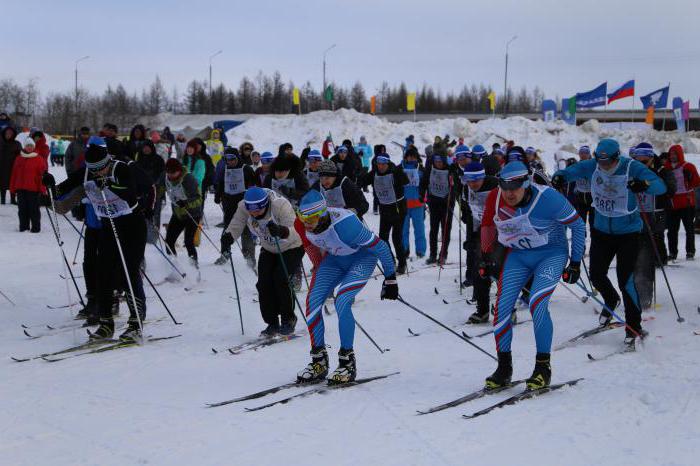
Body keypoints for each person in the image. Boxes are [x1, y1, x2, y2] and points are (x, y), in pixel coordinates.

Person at [480, 161, 586, 390]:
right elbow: (488, 225)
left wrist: (575, 263)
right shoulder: (496, 197)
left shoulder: (548, 198)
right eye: (504, 187)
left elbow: (577, 226)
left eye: (514, 187)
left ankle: (542, 369)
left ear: (526, 183)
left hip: (550, 255)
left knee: (537, 302)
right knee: (501, 307)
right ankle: (504, 368)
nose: (508, 193)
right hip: (519, 256)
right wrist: (486, 256)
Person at [552, 138, 666, 349]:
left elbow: (660, 186)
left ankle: (634, 326)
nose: (603, 167)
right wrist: (560, 177)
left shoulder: (631, 166)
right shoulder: (593, 165)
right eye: (600, 163)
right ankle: (611, 299)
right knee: (596, 274)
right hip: (601, 231)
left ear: (616, 158)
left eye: (607, 163)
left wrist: (645, 185)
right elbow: (572, 171)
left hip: (629, 234)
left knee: (626, 280)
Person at [43, 136, 151, 342]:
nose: (97, 172)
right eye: (93, 169)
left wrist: (109, 183)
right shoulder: (87, 173)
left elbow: (130, 192)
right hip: (108, 226)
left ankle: (136, 323)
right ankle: (105, 323)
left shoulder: (121, 167)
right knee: (104, 273)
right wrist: (49, 186)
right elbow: (61, 191)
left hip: (132, 225)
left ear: (107, 161)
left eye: (100, 168)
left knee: (128, 273)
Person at [295, 190, 398, 384]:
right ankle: (319, 361)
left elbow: (381, 246)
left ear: (323, 214)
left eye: (312, 218)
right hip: (334, 261)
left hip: (362, 258)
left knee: (342, 300)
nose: (306, 223)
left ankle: (347, 362)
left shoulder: (346, 225)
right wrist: (321, 277)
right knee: (312, 302)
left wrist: (390, 278)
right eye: (303, 217)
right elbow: (312, 251)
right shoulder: (301, 225)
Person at [222, 187, 305, 336]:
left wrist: (282, 230)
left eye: (257, 210)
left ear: (265, 204)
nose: (254, 214)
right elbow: (237, 223)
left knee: (280, 279)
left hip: (292, 246)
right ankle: (272, 323)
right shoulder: (244, 206)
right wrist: (228, 236)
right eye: (251, 210)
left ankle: (288, 319)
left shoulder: (280, 205)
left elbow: (296, 229)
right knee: (263, 283)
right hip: (269, 248)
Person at [631, 143, 676, 309]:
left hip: (656, 216)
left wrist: (648, 184)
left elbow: (671, 189)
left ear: (651, 158)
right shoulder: (631, 170)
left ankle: (645, 296)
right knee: (634, 256)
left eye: (644, 162)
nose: (641, 165)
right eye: (638, 161)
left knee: (647, 255)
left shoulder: (662, 170)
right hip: (636, 216)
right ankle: (635, 292)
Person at [460, 162, 499, 322]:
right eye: (469, 180)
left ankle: (508, 309)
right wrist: (471, 239)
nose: (473, 184)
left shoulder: (497, 187)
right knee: (480, 270)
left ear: (483, 177)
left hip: (502, 232)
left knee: (501, 272)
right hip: (481, 233)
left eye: (476, 180)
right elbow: (469, 215)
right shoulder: (466, 189)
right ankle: (482, 311)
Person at [361, 154, 409, 274]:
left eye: (383, 164)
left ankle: (402, 264)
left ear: (388, 163)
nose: (381, 166)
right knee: (383, 237)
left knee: (396, 238)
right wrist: (359, 173)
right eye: (379, 164)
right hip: (385, 209)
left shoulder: (395, 172)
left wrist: (400, 172)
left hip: (398, 209)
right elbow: (361, 181)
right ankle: (391, 261)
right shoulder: (374, 173)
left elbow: (406, 181)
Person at [214, 148, 257, 267]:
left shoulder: (246, 169)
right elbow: (221, 184)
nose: (230, 161)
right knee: (227, 231)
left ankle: (250, 258)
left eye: (232, 158)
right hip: (229, 204)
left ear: (237, 158)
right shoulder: (225, 169)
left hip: (244, 205)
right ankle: (225, 253)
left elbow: (254, 185)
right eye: (227, 159)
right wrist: (218, 195)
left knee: (246, 232)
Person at [160, 158, 203, 265]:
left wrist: (186, 203)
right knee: (169, 242)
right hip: (178, 214)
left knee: (188, 242)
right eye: (168, 172)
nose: (170, 175)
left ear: (179, 171)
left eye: (173, 172)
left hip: (192, 214)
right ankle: (175, 268)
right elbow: (159, 189)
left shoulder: (188, 179)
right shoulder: (166, 178)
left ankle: (194, 269)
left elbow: (199, 199)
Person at [420, 152, 458, 265]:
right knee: (433, 230)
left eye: (440, 161)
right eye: (436, 161)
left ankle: (443, 255)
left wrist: (451, 199)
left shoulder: (450, 171)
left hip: (446, 204)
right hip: (434, 203)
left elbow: (456, 187)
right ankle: (433, 254)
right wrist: (421, 195)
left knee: (445, 230)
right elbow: (423, 183)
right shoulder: (430, 170)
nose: (438, 164)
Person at [665, 144, 700, 260]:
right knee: (672, 231)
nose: (672, 156)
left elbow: (696, 183)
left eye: (675, 154)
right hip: (673, 203)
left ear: (680, 154)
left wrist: (690, 177)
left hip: (687, 203)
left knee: (689, 229)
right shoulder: (666, 167)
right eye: (671, 154)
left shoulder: (688, 166)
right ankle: (672, 253)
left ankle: (690, 251)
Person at [10, 138, 47, 232]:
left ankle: (35, 228)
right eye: (27, 145)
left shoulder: (39, 159)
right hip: (20, 188)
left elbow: (42, 176)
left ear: (34, 147)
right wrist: (12, 188)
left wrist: (43, 189)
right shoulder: (19, 158)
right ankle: (23, 227)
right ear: (24, 146)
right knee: (22, 209)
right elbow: (14, 174)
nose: (29, 147)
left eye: (31, 146)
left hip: (33, 189)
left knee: (34, 210)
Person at [133, 140, 165, 244]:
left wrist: (156, 185)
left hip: (156, 190)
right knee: (143, 213)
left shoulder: (159, 159)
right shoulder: (138, 161)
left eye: (148, 147)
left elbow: (162, 175)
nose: (146, 149)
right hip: (142, 192)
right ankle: (142, 234)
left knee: (154, 213)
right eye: (144, 147)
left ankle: (153, 236)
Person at [401, 146, 426, 259]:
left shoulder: (421, 170)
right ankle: (404, 250)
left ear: (417, 158)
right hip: (404, 204)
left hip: (418, 205)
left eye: (414, 157)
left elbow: (426, 186)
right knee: (403, 230)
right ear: (406, 157)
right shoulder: (399, 169)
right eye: (409, 156)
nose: (411, 159)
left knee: (419, 230)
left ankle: (420, 251)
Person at [0, 125, 21, 205]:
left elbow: (20, 155)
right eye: (7, 133)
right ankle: (3, 200)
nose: (8, 135)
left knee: (13, 183)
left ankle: (13, 199)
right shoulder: (1, 143)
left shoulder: (16, 144)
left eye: (10, 133)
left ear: (13, 134)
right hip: (2, 167)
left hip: (13, 167)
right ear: (4, 134)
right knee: (2, 184)